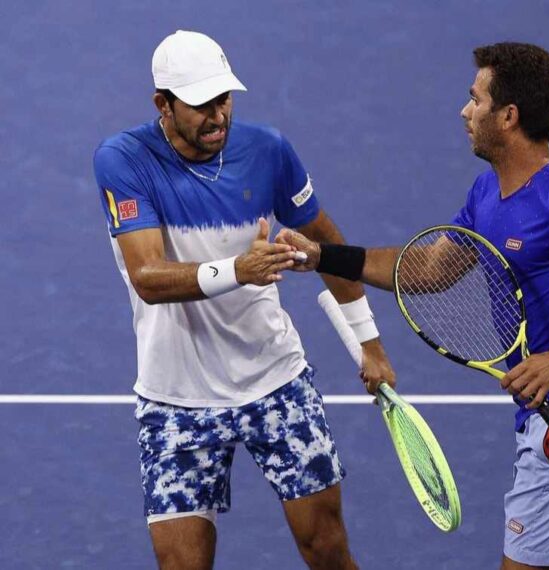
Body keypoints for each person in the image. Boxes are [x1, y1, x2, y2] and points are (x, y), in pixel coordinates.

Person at [277, 42, 549, 569]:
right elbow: (428, 270)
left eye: (476, 100)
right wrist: (322, 256)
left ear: (508, 117)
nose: (465, 112)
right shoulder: (487, 194)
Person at [93, 30, 394, 570]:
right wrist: (240, 269)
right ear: (162, 104)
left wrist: (369, 342)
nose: (218, 114)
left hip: (275, 382)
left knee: (327, 549)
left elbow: (331, 249)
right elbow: (148, 277)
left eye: (224, 98)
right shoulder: (123, 161)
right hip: (174, 401)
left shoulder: (269, 150)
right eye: (201, 104)